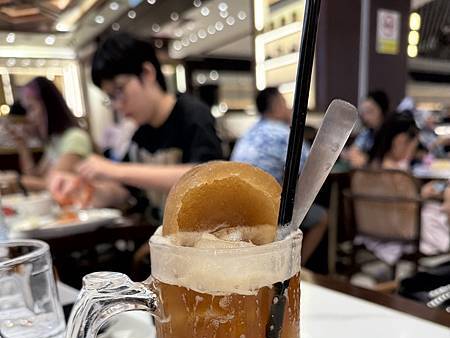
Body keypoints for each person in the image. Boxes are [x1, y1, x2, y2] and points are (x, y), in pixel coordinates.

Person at [50, 33, 223, 218]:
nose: (117, 105)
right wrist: (84, 188)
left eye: (119, 90)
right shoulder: (140, 132)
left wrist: (115, 170)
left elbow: (208, 177)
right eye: (110, 98)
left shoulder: (192, 114)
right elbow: (125, 194)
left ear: (147, 73)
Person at [231, 87, 327, 265]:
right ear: (277, 106)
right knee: (321, 217)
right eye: (285, 103)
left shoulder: (247, 133)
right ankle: (297, 266)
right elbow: (312, 171)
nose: (289, 108)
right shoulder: (285, 134)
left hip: (238, 210)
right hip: (268, 211)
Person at [361, 112, 449, 262]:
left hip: (374, 228)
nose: (412, 152)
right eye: (413, 146)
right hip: (399, 230)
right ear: (400, 141)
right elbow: (406, 207)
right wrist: (422, 195)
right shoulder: (397, 172)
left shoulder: (372, 166)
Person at [9, 77, 92, 192]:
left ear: (48, 106)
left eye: (31, 108)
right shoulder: (55, 141)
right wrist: (22, 146)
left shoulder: (75, 137)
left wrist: (14, 181)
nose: (29, 117)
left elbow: (55, 185)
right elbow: (35, 177)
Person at [346, 90, 390, 168]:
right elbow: (352, 153)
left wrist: (365, 159)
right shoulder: (367, 132)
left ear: (382, 110)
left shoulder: (390, 133)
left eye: (370, 111)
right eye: (364, 113)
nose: (366, 118)